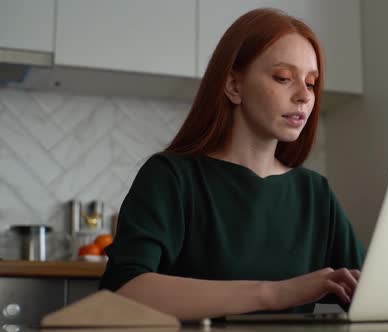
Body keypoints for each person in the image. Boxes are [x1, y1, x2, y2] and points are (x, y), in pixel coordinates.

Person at [99, 8, 365, 320]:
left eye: (311, 83)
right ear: (234, 86)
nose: (304, 96)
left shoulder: (315, 192)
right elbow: (125, 291)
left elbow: (365, 291)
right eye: (283, 78)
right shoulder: (171, 176)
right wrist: (274, 293)